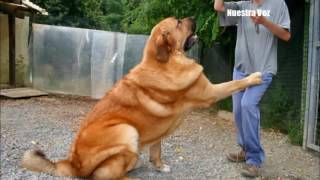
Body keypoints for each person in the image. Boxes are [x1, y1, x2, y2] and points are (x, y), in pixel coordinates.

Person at [213, 0, 291, 177]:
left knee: (248, 105)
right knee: (239, 110)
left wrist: (265, 22)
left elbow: (286, 35)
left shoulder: (278, 5)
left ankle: (254, 160)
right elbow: (219, 7)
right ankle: (245, 150)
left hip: (263, 69)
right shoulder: (242, 8)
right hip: (241, 70)